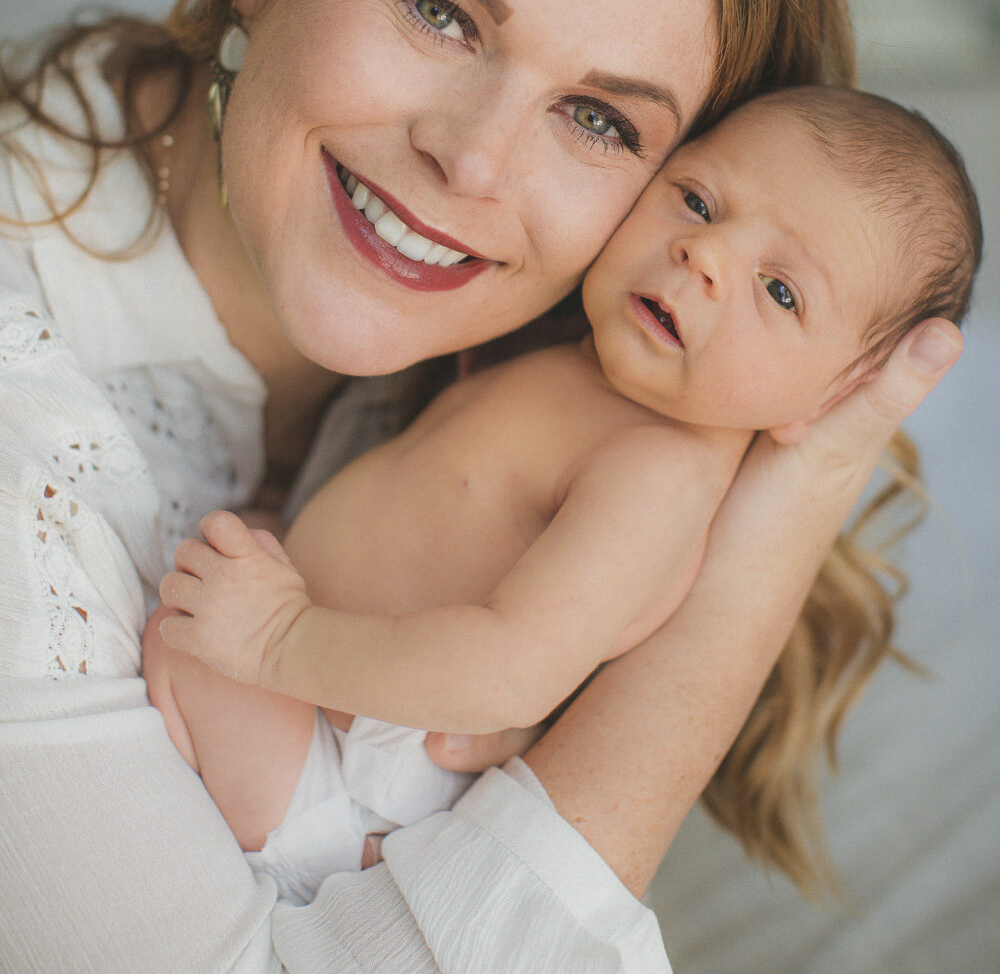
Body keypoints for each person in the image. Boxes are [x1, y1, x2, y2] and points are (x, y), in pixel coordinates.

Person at [0, 0, 964, 973]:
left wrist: (789, 492)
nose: (476, 160)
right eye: (437, 8)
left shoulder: (550, 391)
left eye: (599, 118)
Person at [145, 85, 981, 906]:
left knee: (186, 641)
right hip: (322, 697)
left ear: (829, 402)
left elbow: (513, 674)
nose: (709, 255)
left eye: (782, 291)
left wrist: (278, 641)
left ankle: (282, 875)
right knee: (212, 562)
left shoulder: (658, 470)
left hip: (342, 772)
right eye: (697, 200)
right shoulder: (577, 367)